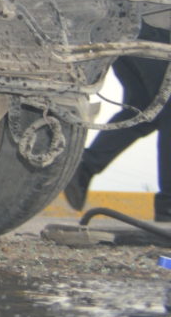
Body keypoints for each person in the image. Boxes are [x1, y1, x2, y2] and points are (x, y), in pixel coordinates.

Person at [65, 49, 171, 221]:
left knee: (142, 109)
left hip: (131, 32)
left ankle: (84, 166)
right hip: (157, 32)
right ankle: (168, 207)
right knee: (163, 105)